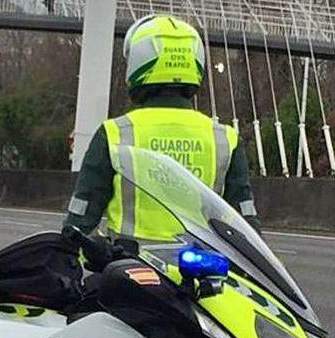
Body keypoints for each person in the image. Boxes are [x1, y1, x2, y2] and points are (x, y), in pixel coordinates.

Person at [63, 14, 261, 244]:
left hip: (129, 270)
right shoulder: (225, 139)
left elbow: (82, 216)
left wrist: (66, 259)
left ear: (138, 63)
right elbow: (246, 226)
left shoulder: (115, 134)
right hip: (204, 275)